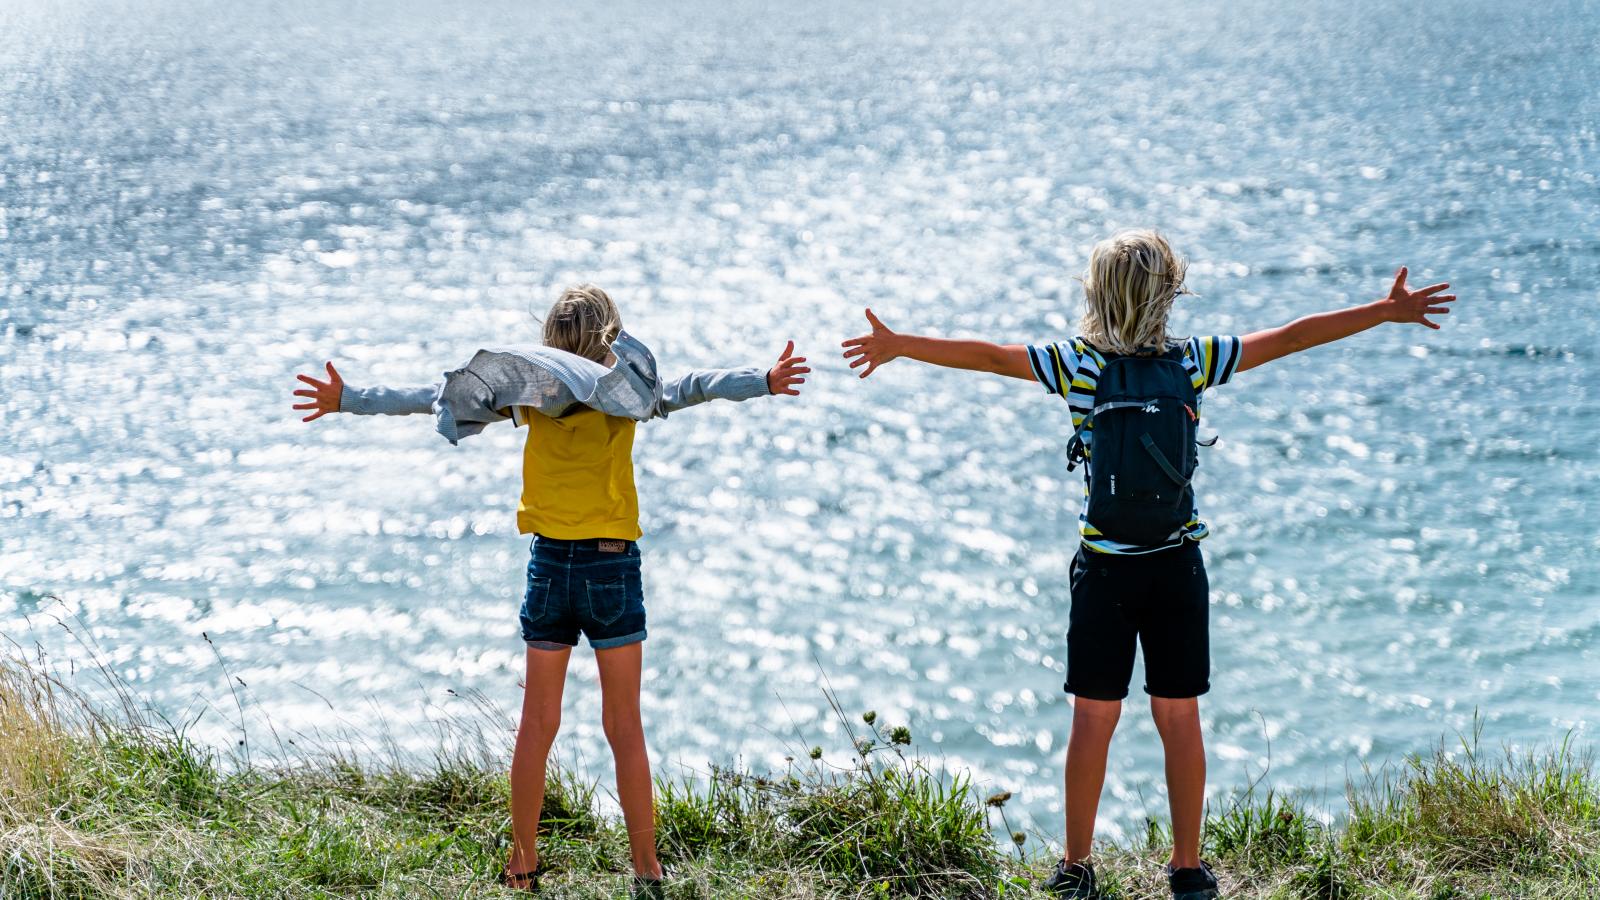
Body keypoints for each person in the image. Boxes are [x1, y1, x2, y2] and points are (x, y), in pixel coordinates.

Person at [840, 229, 1454, 899]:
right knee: (1179, 717)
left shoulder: (1076, 364)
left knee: (1092, 719)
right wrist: (1382, 310)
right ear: (1171, 293)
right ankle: (1187, 871)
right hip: (1176, 565)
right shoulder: (1194, 361)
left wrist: (902, 343)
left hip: (1104, 568)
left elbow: (989, 356)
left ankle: (1076, 870)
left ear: (1096, 296)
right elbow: (1293, 337)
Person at [292, 284, 809, 897]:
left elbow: (434, 397)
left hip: (548, 567)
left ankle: (523, 862)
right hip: (611, 567)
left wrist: (349, 398)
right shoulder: (627, 399)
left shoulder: (532, 396)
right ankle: (647, 868)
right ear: (609, 338)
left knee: (537, 723)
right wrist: (764, 379)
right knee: (624, 724)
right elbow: (696, 385)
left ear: (548, 345)